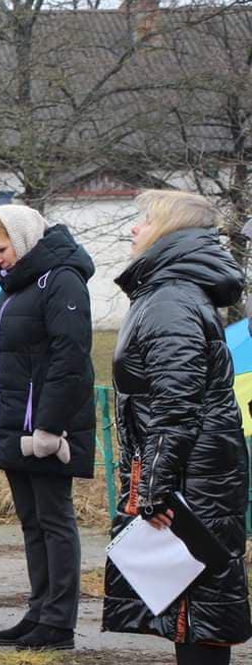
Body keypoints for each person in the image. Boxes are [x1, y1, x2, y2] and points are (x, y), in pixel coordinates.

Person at [103, 190, 252, 665]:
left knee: (197, 606)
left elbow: (175, 405)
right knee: (193, 604)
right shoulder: (170, 293)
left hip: (193, 480)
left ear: (168, 232)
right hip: (197, 472)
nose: (133, 229)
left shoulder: (170, 300)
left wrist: (156, 490)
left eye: (143, 220)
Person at [0, 206, 95, 651]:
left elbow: (71, 358)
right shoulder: (12, 288)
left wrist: (48, 426)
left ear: (23, 241)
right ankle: (39, 609)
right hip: (11, 426)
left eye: (2, 250)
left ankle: (59, 621)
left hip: (45, 430)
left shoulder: (61, 280)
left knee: (54, 518)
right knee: (31, 520)